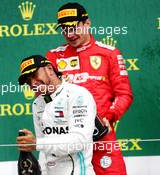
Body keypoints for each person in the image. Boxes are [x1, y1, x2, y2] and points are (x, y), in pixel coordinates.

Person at [45, 2, 133, 175]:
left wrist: (109, 117)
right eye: (64, 29)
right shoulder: (53, 57)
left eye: (74, 27)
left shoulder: (109, 53)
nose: (69, 34)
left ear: (87, 23)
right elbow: (43, 97)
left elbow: (124, 94)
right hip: (68, 140)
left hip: (101, 136)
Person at [17, 55, 96, 175]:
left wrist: (37, 143)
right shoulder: (37, 104)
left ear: (49, 69)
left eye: (34, 75)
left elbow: (80, 141)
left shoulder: (78, 95)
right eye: (28, 81)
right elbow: (43, 151)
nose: (33, 83)